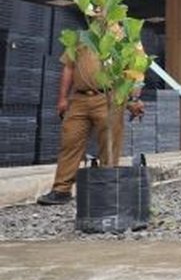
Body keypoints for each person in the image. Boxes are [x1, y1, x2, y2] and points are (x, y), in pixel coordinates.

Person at [37, 30, 145, 205]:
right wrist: (63, 98)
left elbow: (137, 69)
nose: (98, 10)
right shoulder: (80, 38)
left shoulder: (126, 37)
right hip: (79, 98)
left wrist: (134, 98)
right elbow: (69, 67)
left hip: (109, 97)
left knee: (109, 144)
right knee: (70, 141)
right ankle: (61, 189)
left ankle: (106, 190)